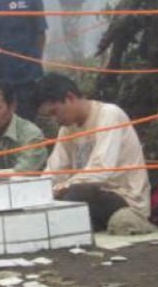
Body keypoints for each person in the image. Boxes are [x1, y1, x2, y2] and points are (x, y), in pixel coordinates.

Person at [34, 72, 151, 230]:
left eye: (54, 112)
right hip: (91, 194)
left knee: (75, 195)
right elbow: (54, 171)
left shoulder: (109, 114)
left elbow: (100, 170)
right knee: (52, 200)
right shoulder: (67, 129)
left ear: (69, 98)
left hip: (125, 198)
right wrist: (37, 191)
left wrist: (61, 188)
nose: (55, 119)